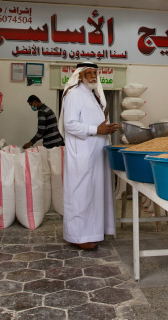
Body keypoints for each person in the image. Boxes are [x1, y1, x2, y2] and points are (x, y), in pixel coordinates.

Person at [58, 62, 119, 250]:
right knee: (81, 195)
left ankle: (93, 232)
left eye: (95, 72)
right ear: (79, 75)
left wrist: (105, 126)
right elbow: (70, 124)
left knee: (94, 194)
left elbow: (95, 123)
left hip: (95, 155)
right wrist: (97, 129)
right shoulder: (74, 95)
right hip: (82, 155)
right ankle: (78, 236)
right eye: (88, 73)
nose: (93, 76)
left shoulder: (92, 96)